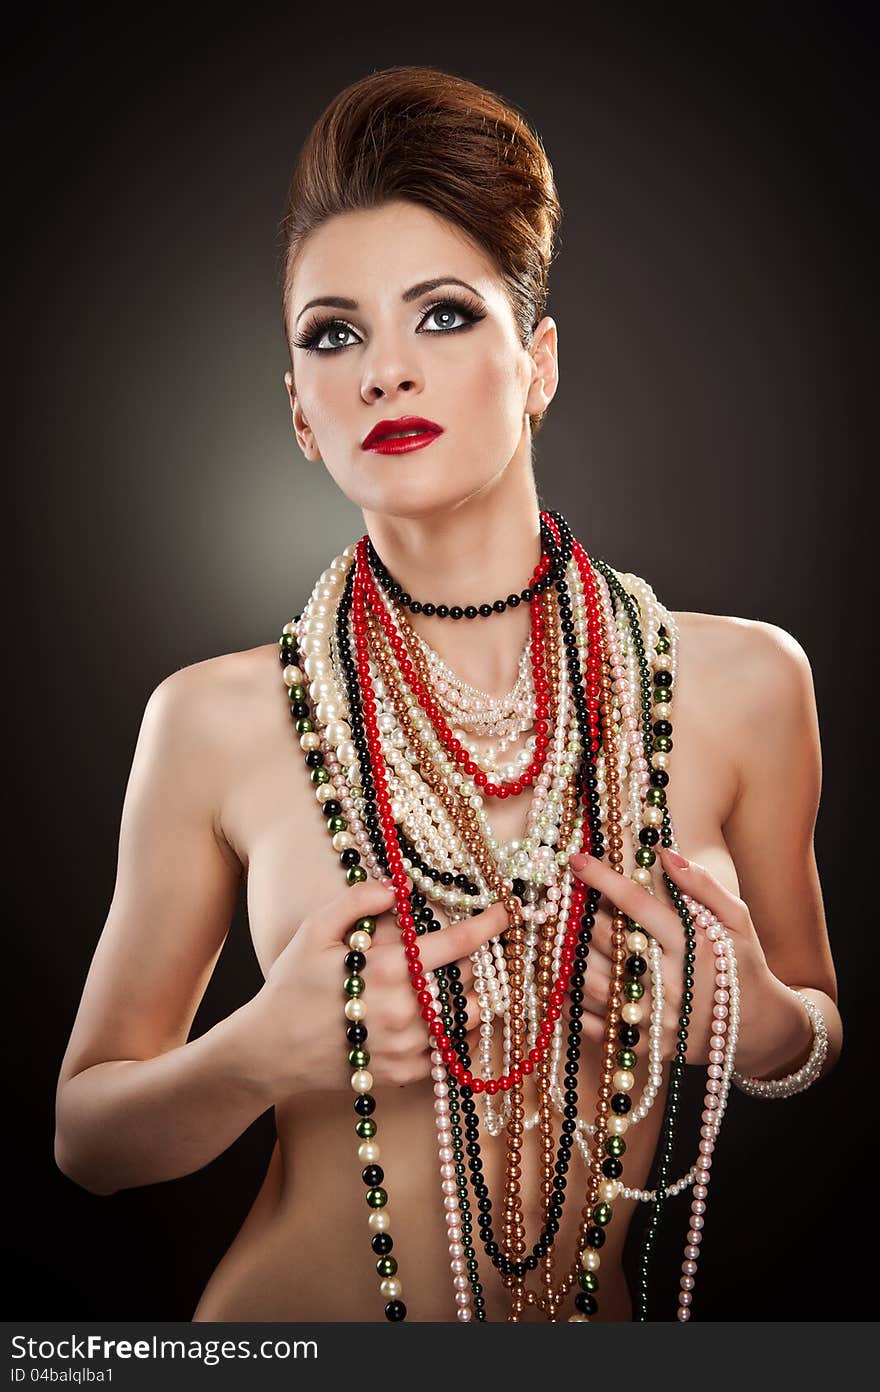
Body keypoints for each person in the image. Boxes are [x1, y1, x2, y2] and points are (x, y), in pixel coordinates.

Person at [53, 65, 841, 1324]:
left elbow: (815, 1022)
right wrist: (259, 1053)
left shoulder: (745, 682)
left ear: (537, 364)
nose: (382, 373)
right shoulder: (210, 722)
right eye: (333, 334)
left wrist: (746, 1026)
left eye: (442, 316)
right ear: (301, 415)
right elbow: (87, 1136)